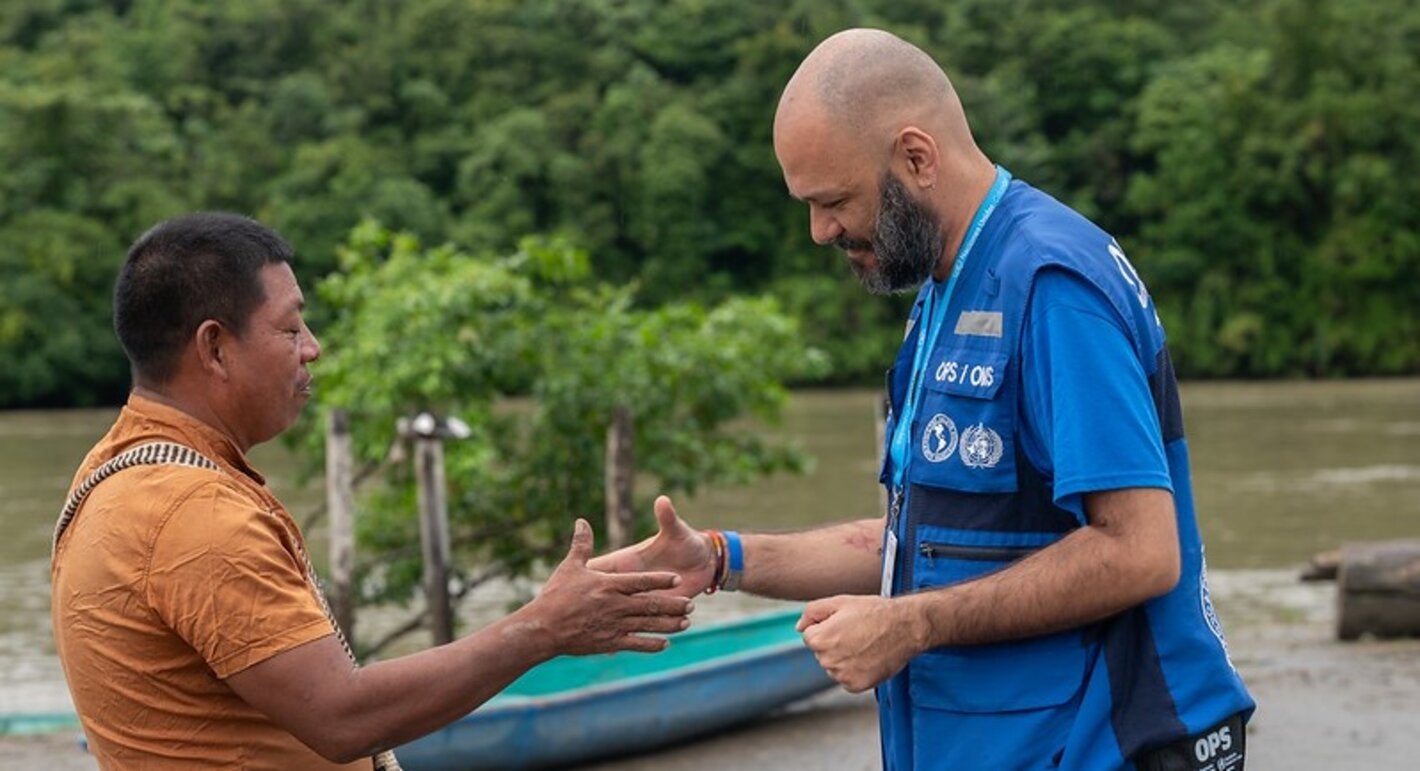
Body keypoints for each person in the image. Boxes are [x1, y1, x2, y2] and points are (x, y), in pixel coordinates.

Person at [591, 28, 1253, 771]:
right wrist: (721, 557)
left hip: (1101, 746)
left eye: (835, 200)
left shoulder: (1050, 285)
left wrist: (910, 625)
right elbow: (926, 545)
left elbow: (1139, 552)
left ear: (916, 157)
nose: (819, 231)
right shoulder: (948, 288)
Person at [50, 212, 693, 770]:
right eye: (290, 328)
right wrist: (543, 628)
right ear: (215, 348)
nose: (313, 348)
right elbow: (341, 718)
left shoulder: (115, 471)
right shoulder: (191, 510)